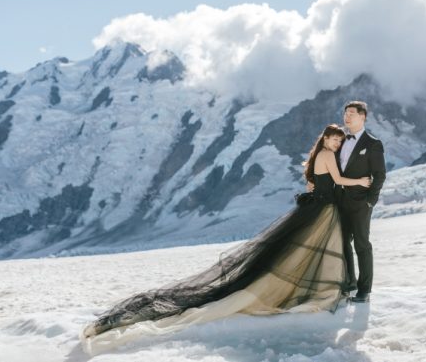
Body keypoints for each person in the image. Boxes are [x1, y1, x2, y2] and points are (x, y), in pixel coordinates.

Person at [79, 124, 370, 355]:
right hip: (324, 209)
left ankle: (334, 288)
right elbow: (339, 181)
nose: (336, 144)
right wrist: (360, 181)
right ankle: (334, 289)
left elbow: (315, 181)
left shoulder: (319, 155)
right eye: (333, 139)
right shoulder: (328, 156)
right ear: (326, 140)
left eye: (339, 141)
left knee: (308, 251)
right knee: (319, 251)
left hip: (319, 207)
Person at [337, 101, 386, 304]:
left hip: (361, 203)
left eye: (351, 114)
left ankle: (364, 291)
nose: (347, 117)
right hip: (339, 201)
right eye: (345, 113)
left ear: (362, 116)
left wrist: (370, 202)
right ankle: (349, 284)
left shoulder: (373, 143)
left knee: (362, 245)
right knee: (342, 243)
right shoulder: (340, 140)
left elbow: (380, 175)